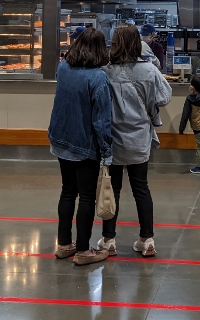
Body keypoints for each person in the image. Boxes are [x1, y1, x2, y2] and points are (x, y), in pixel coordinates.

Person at [97, 25, 172, 258]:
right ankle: (146, 239)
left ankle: (109, 240)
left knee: (113, 189)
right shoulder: (149, 70)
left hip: (114, 139)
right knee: (141, 188)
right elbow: (164, 97)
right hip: (139, 138)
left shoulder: (105, 71)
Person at [48, 27, 113, 266]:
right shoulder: (98, 78)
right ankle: (84, 250)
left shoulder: (63, 68)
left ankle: (64, 244)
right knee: (86, 197)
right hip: (85, 144)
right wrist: (107, 150)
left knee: (68, 191)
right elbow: (101, 120)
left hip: (60, 138)